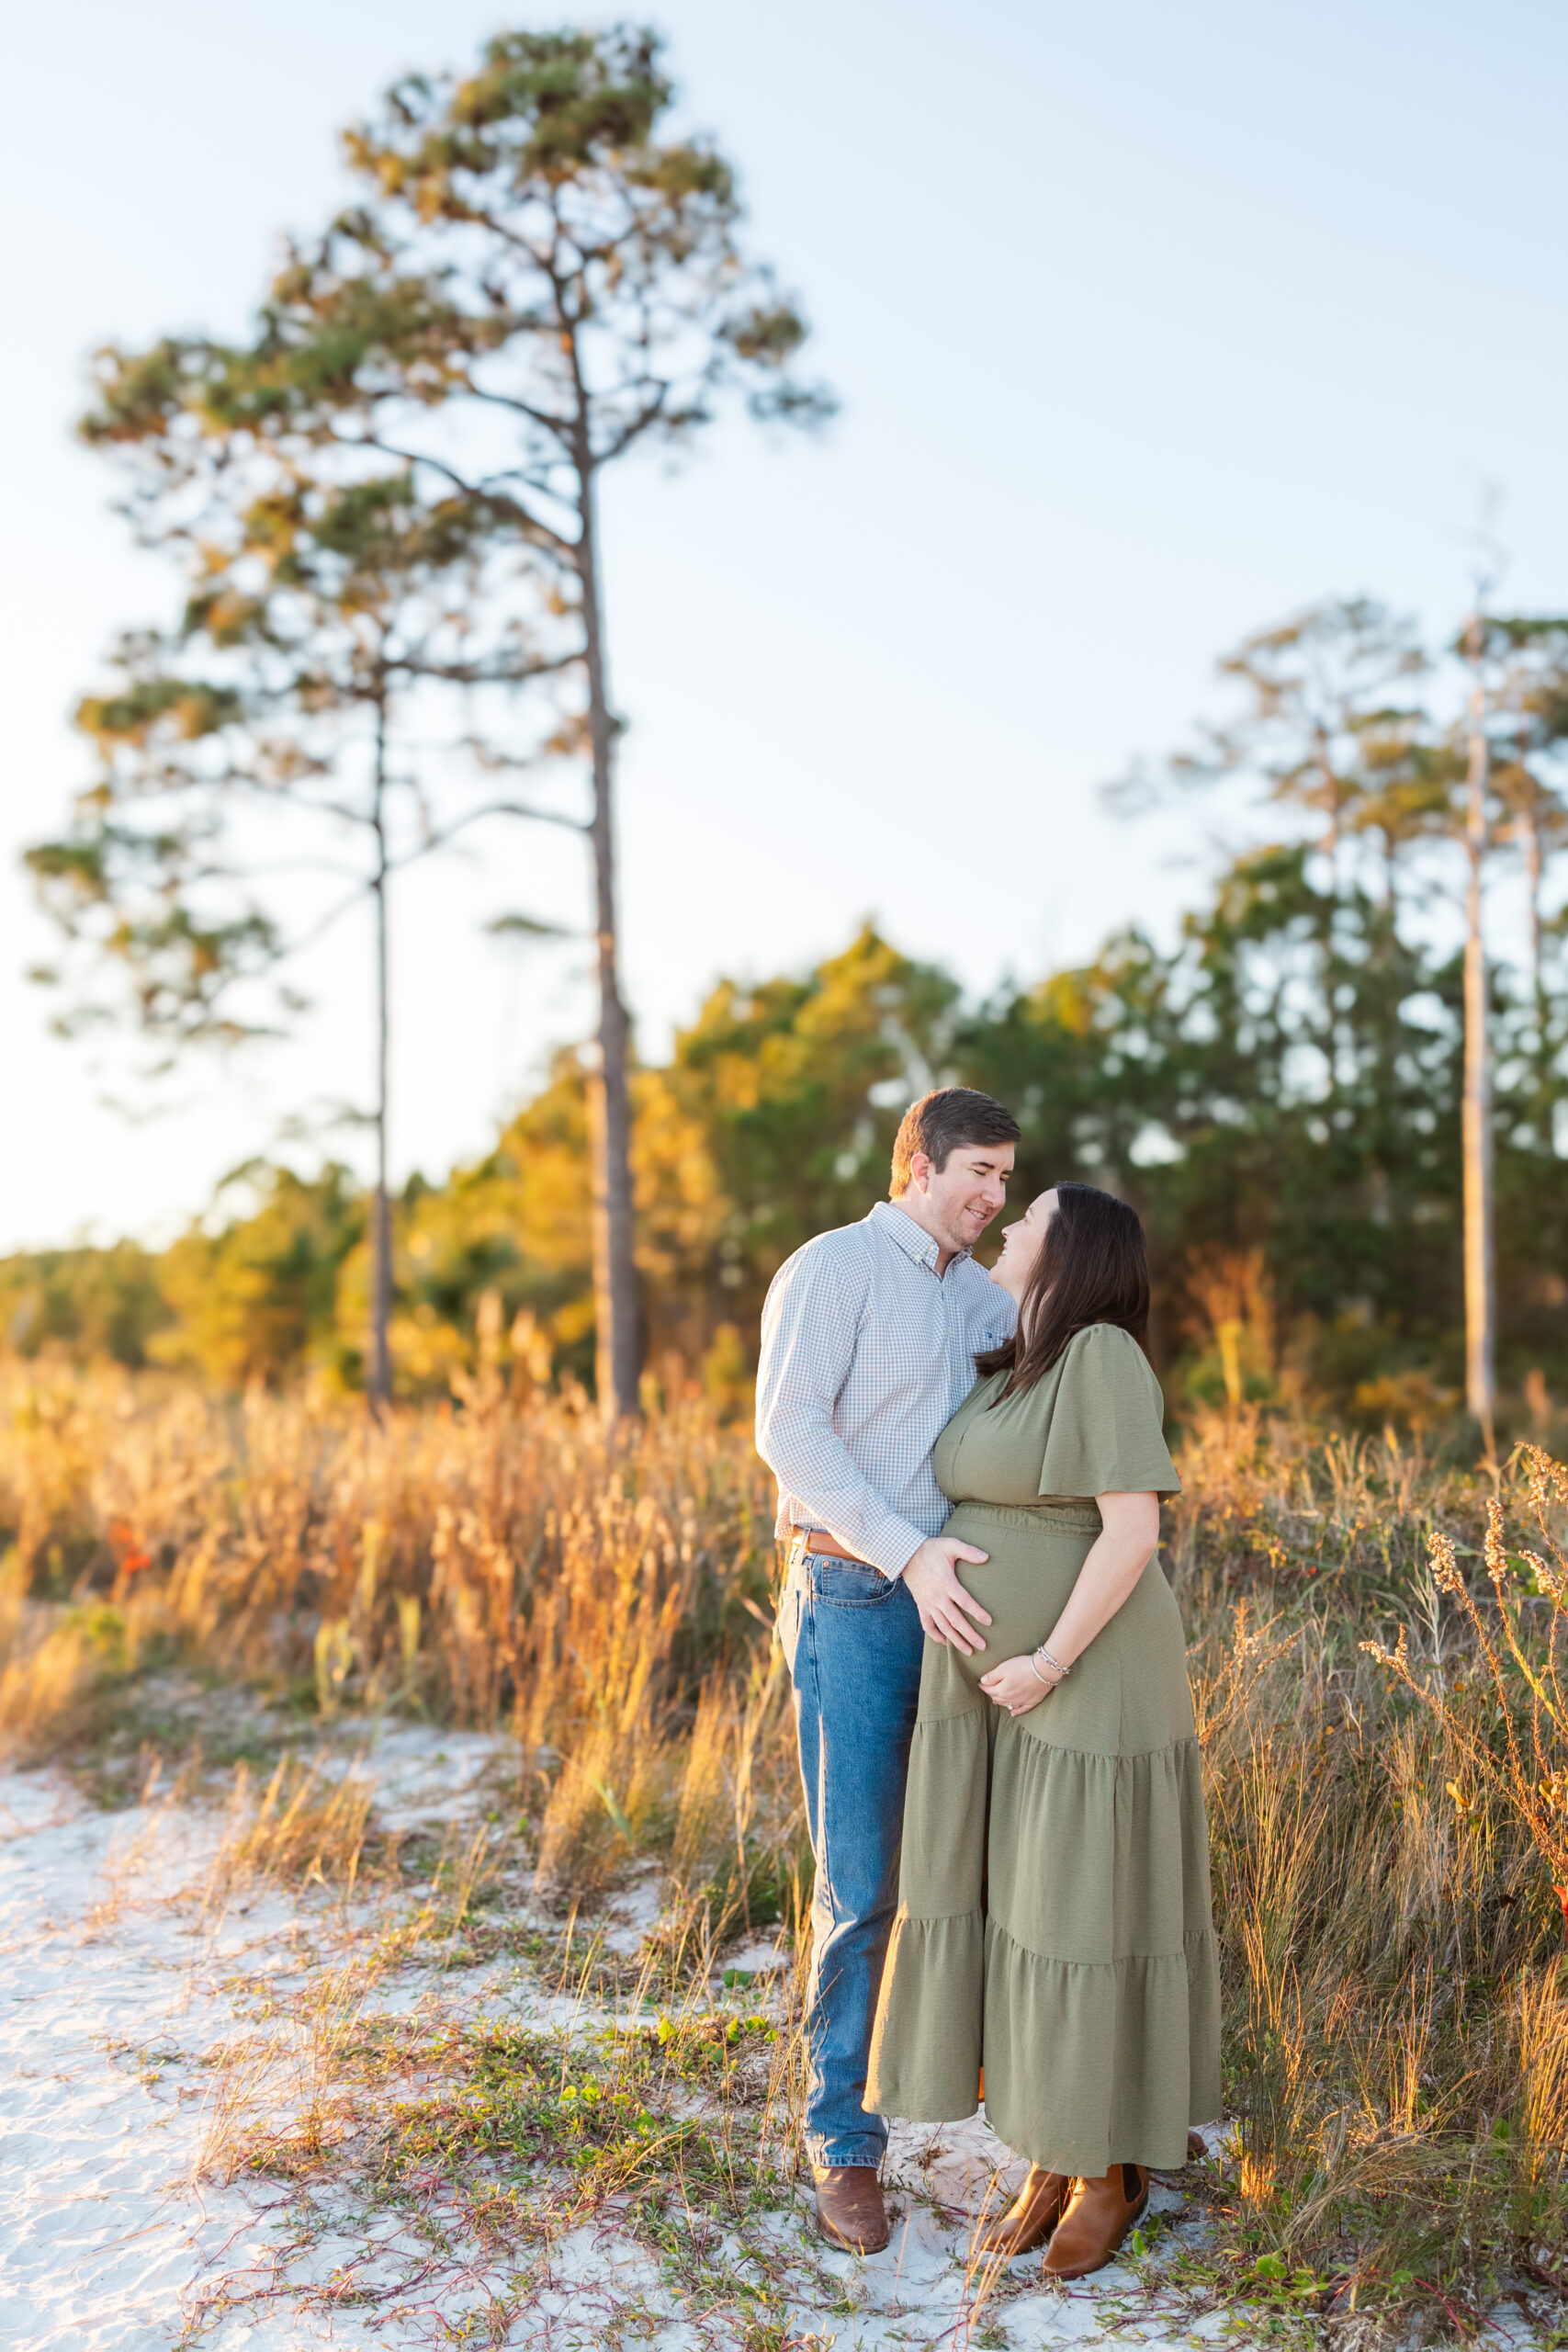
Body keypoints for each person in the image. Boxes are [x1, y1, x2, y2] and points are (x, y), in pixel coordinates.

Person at [864, 1182, 1221, 2279]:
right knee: (1028, 1913)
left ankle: (1110, 2172)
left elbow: (1132, 1531)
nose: (1009, 1226)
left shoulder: (1103, 1353)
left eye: (1031, 1221)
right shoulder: (1020, 1358)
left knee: (1080, 1919)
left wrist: (1050, 1658)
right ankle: (1053, 2157)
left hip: (1087, 1675)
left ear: (1073, 1252)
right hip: (1005, 1689)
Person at [755, 1087, 1022, 2254]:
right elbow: (789, 1430)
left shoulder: (982, 1296)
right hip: (857, 1596)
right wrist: (906, 1552)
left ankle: (976, 2102)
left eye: (1007, 1179)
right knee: (860, 1882)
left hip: (960, 1607)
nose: (991, 1194)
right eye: (977, 1170)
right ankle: (845, 2148)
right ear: (916, 1162)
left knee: (960, 1876)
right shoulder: (834, 1266)